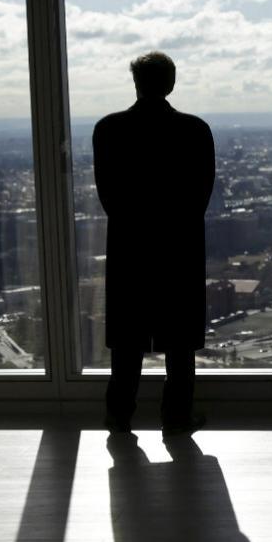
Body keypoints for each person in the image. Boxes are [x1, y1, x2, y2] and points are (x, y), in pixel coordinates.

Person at [93, 51, 215, 435]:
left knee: (128, 337)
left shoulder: (108, 129)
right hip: (179, 246)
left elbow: (108, 195)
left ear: (136, 83)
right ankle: (177, 417)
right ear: (171, 84)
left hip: (129, 245)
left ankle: (119, 415)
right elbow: (201, 195)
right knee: (179, 339)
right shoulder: (195, 130)